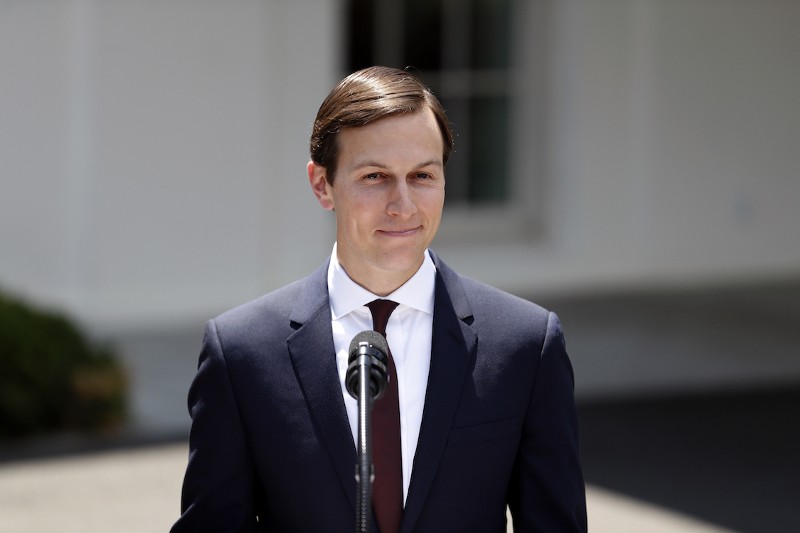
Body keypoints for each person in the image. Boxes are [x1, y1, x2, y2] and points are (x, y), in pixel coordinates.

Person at [172, 66, 587, 532]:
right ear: (321, 184)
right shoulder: (242, 352)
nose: (403, 204)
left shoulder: (525, 344)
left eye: (423, 175)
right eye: (375, 176)